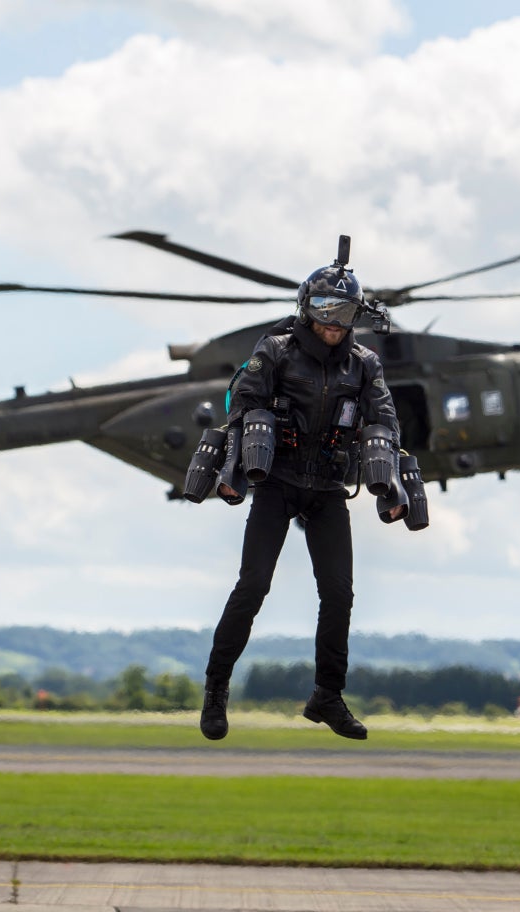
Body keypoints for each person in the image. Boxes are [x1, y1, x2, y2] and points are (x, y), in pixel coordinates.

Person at [200, 257, 403, 741]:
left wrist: (392, 486)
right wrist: (233, 474)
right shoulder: (275, 351)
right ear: (307, 309)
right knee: (253, 587)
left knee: (339, 594)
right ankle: (216, 689)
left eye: (344, 313)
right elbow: (240, 407)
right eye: (325, 310)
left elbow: (386, 420)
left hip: (328, 489)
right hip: (277, 482)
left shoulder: (365, 364)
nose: (334, 324)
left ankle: (326, 696)